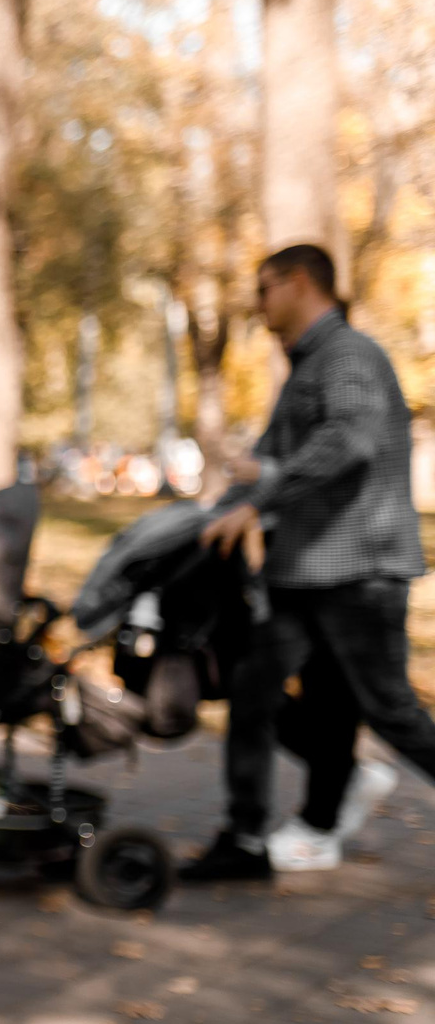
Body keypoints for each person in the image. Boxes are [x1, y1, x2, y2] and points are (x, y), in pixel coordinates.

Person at [187, 243, 430, 880]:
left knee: (388, 710)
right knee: (262, 693)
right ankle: (250, 838)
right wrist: (226, 509)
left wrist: (263, 489)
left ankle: (319, 811)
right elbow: (267, 459)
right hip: (306, 570)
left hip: (359, 569)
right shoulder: (306, 367)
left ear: (298, 284)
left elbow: (348, 442)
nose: (257, 303)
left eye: (263, 288)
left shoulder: (348, 355)